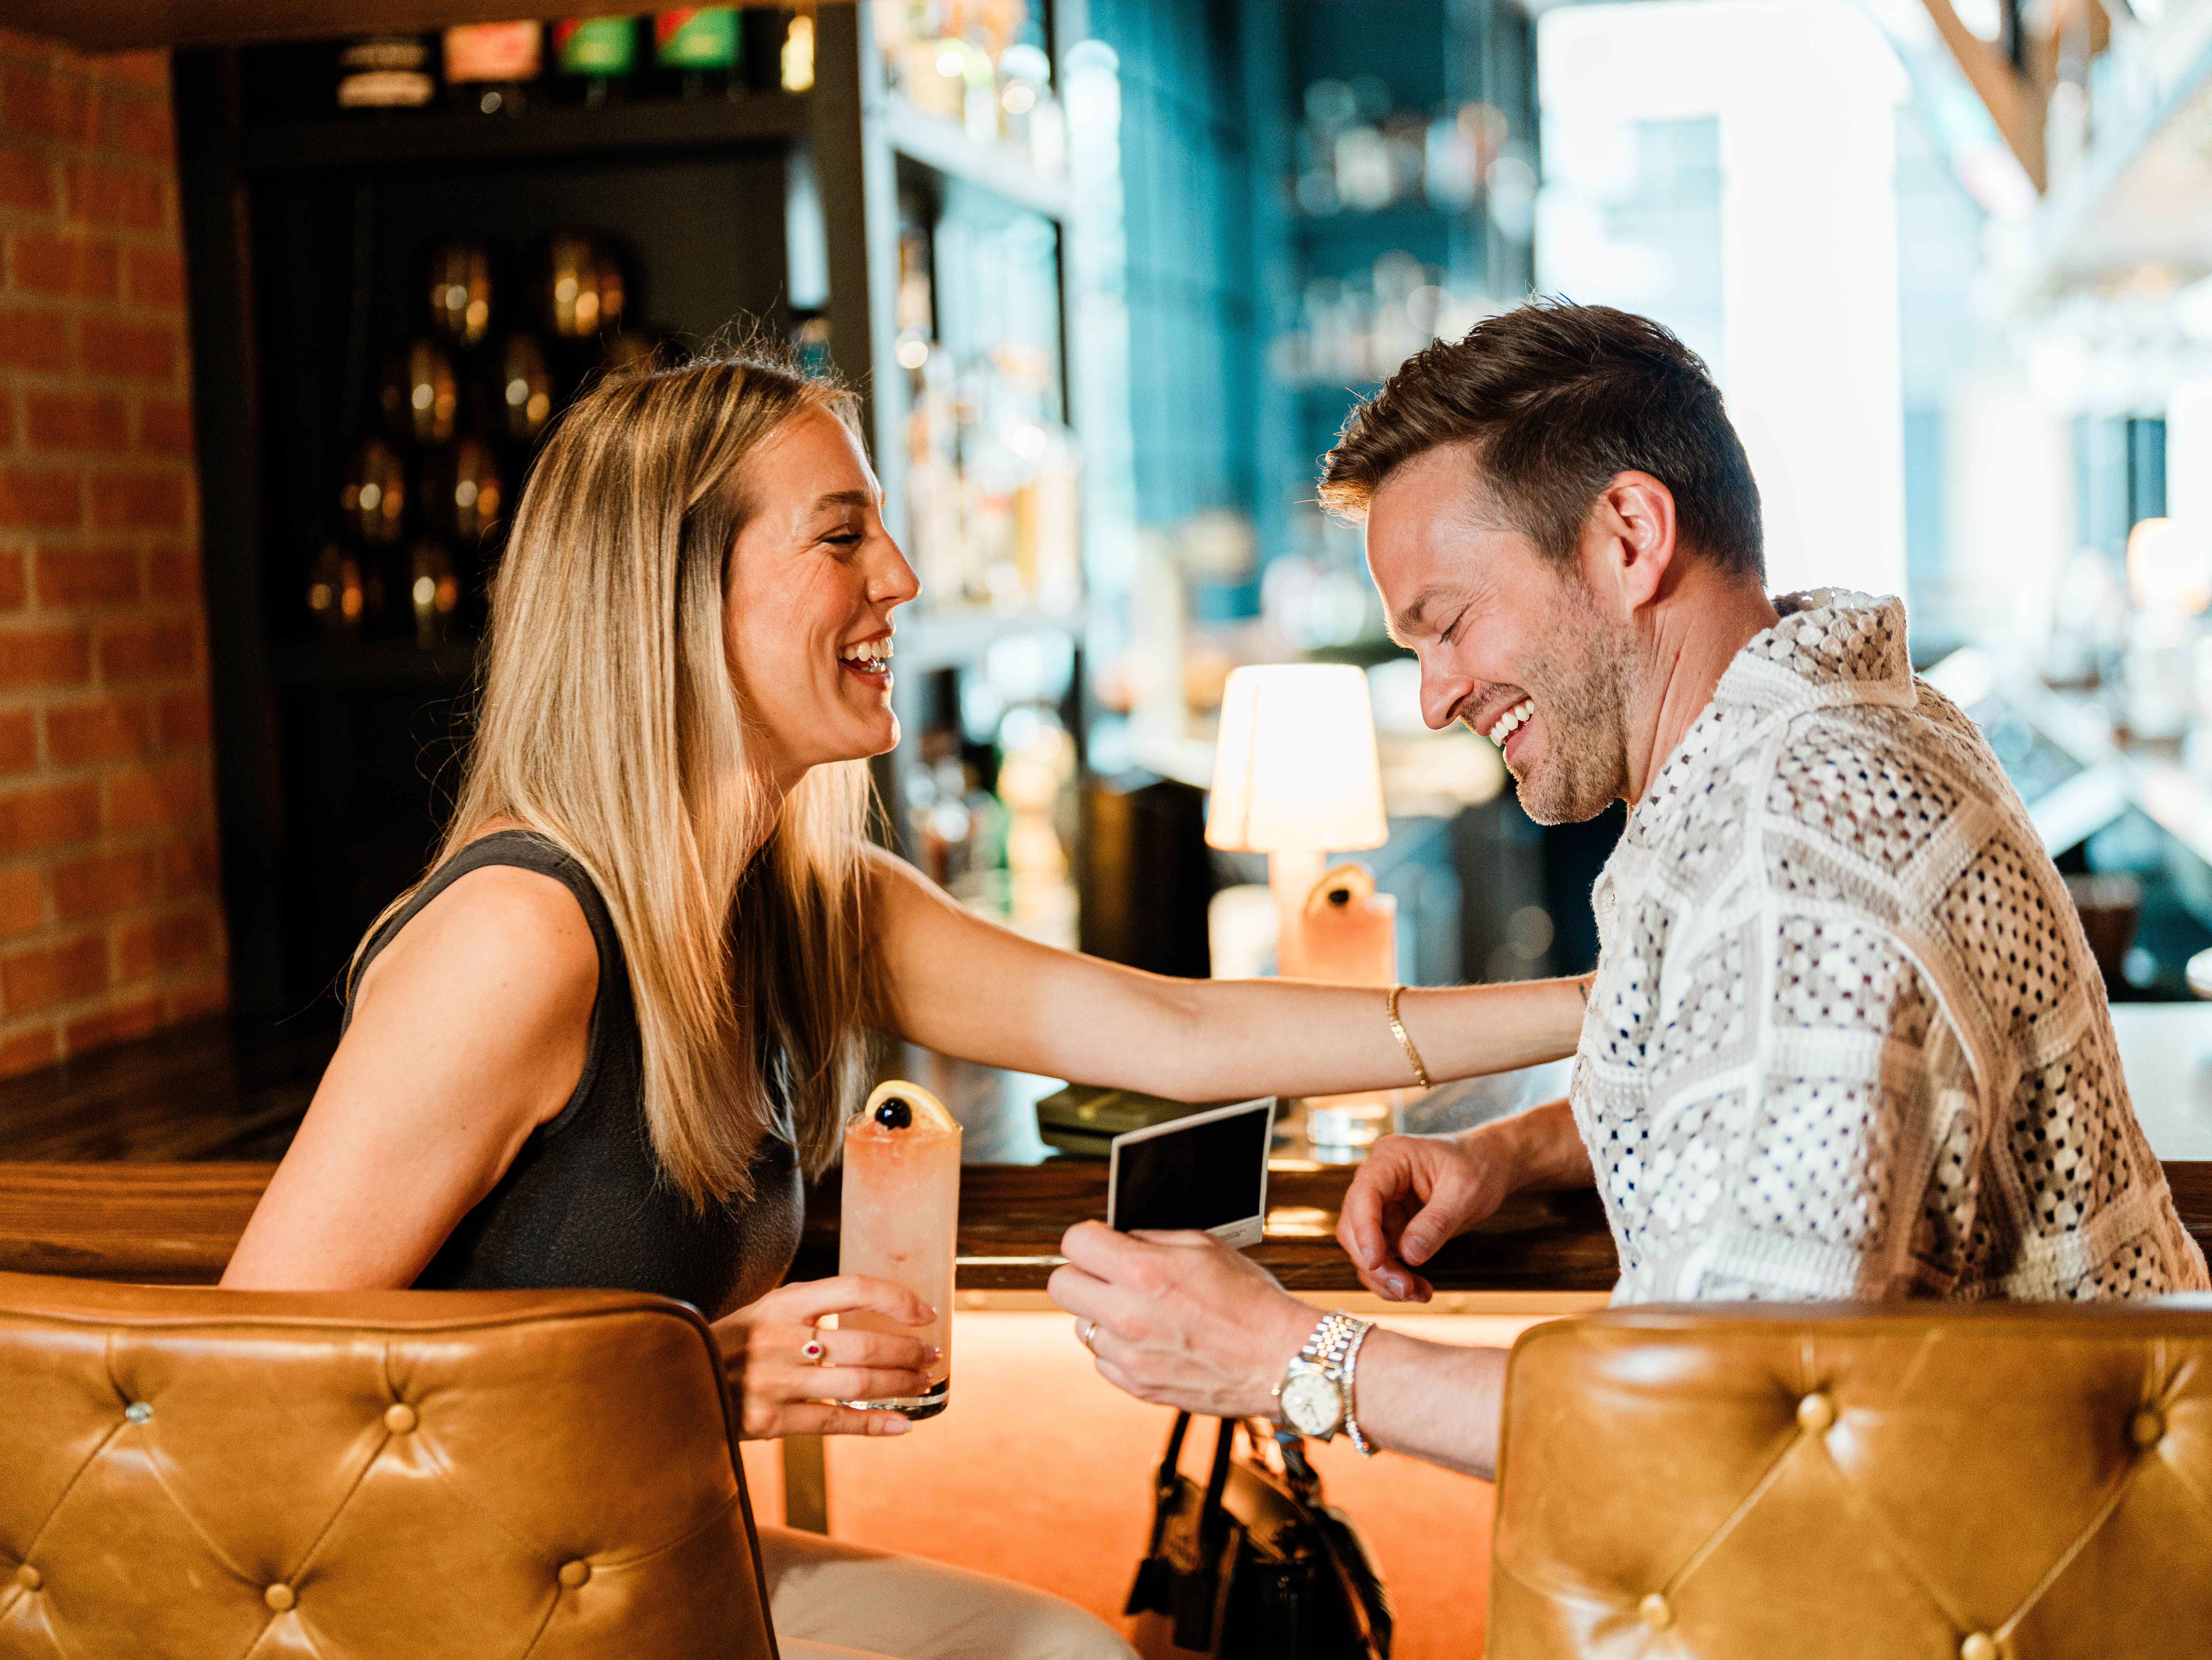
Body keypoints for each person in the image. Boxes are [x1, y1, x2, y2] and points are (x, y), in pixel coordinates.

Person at [222, 351, 1591, 1659]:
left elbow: (1176, 1032)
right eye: (840, 538)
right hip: (441, 1600)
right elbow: (245, 1398)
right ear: (674, 596)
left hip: (619, 1551)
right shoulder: (519, 935)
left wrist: (1601, 1000)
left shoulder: (797, 895)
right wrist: (685, 1382)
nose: (905, 577)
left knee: (1066, 1654)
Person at [1047, 300, 2210, 1483]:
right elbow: (1808, 1099)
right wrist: (1534, 1151)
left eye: (1446, 625)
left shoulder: (1796, 853)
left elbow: (1717, 1428)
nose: (1435, 697)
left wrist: (1288, 1354)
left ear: (1629, 537)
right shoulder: (1827, 737)